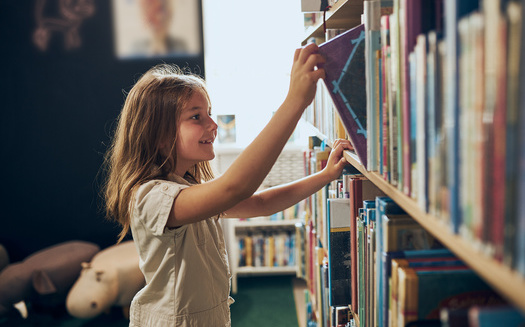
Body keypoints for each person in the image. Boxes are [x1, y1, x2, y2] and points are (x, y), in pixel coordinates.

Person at [102, 43, 353, 326]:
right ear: (158, 136)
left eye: (209, 113)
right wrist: (295, 101)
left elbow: (261, 203)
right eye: (196, 117)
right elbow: (234, 187)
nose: (213, 124)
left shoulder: (187, 187)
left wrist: (325, 176)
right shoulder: (151, 196)